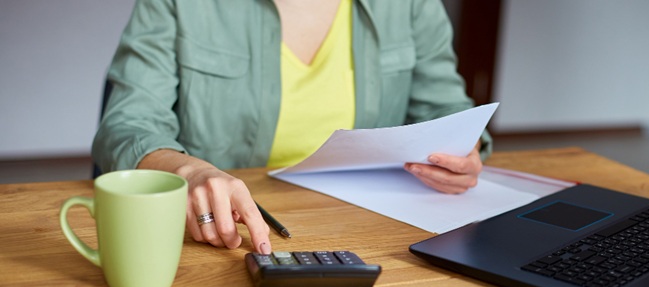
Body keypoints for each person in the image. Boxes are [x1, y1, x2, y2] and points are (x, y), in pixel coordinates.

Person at [92, 0, 493, 255]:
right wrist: (190, 171)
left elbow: (447, 108)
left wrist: (462, 152)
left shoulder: (410, 6)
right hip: (226, 238)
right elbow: (128, 123)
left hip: (373, 236)